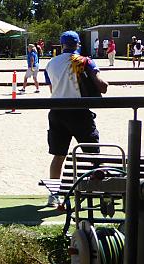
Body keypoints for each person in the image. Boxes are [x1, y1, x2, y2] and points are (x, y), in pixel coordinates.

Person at [44, 31, 108, 207]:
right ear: (78, 44)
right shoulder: (84, 61)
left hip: (57, 111)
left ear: (61, 44)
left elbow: (52, 89)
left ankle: (54, 195)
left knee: (58, 156)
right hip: (79, 112)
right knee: (94, 154)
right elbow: (102, 87)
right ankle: (102, 190)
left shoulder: (51, 64)